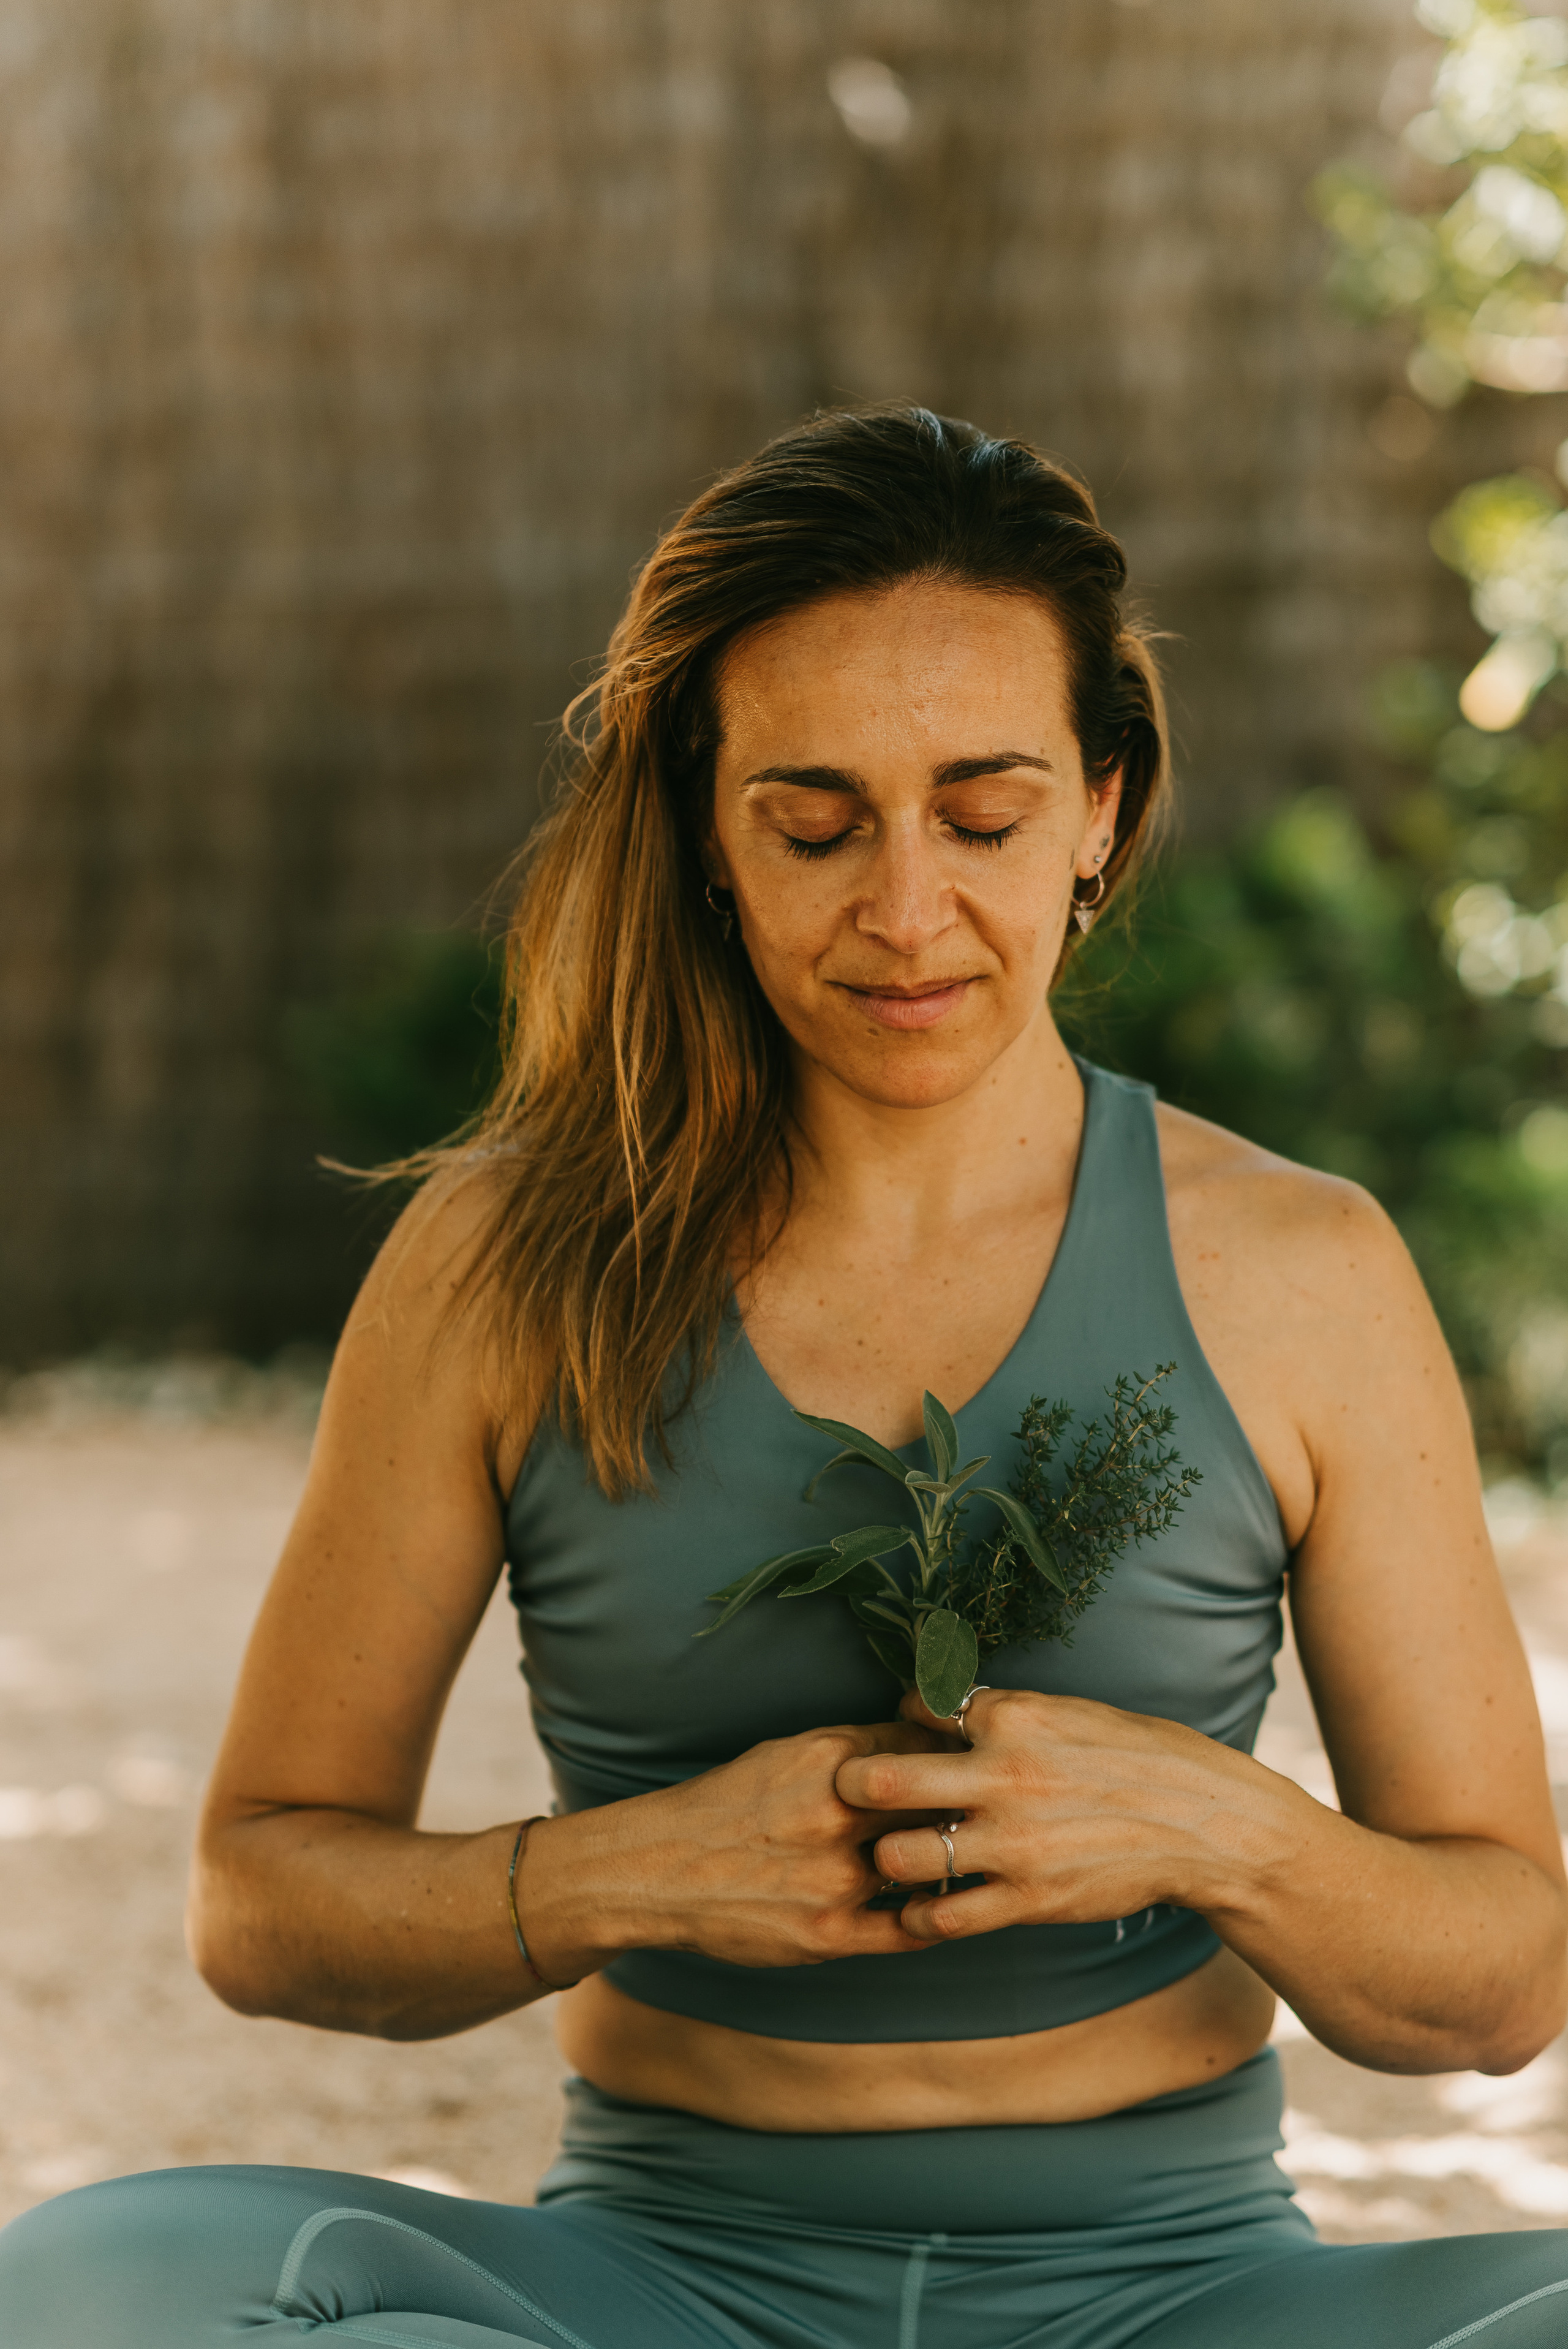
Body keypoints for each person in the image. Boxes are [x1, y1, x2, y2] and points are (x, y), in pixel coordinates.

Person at [4, 406, 1566, 2349]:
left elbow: (1504, 1980)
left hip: (1184, 2303)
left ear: (1104, 806)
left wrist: (1207, 1827)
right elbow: (264, 1903)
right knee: (74, 2293)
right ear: (706, 831)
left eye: (983, 815)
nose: (906, 908)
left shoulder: (1305, 1271)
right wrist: (627, 1870)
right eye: (815, 823)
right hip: (658, 2289)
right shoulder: (500, 1266)